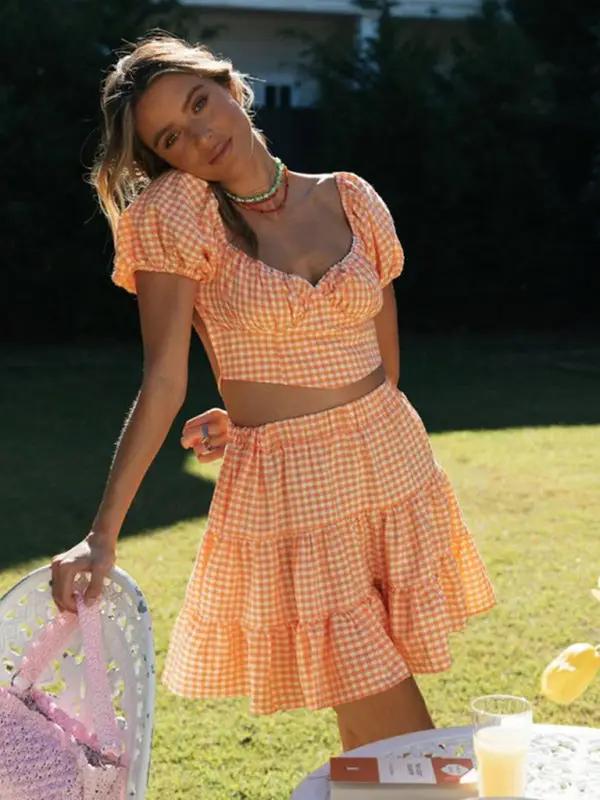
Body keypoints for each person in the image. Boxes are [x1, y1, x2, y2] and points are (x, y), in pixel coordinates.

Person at [49, 31, 496, 752]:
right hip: (296, 491)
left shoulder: (352, 198)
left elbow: (381, 366)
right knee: (408, 740)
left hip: (392, 467)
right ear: (163, 160)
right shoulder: (175, 215)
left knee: (376, 744)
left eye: (201, 104)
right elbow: (163, 378)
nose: (199, 135)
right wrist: (102, 534)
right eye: (171, 137)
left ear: (232, 86)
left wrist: (261, 403)